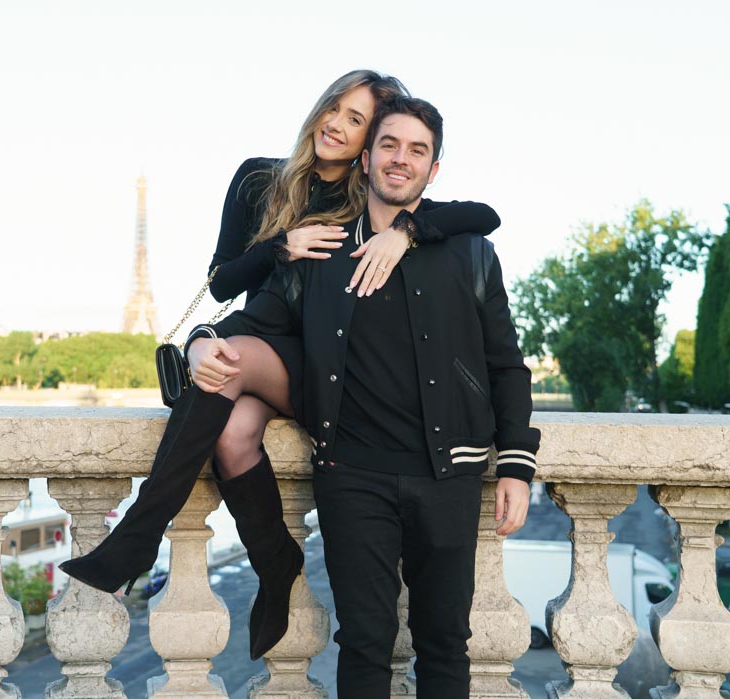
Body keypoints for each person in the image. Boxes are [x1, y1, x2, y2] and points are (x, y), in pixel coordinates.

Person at [60, 71, 500, 661]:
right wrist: (278, 247)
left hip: (323, 358)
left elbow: (479, 215)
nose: (337, 125)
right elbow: (221, 282)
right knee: (235, 433)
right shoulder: (258, 179)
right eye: (335, 107)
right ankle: (275, 563)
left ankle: (138, 540)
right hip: (260, 337)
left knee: (227, 362)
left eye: (357, 120)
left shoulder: (366, 201)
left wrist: (408, 231)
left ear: (370, 146)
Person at [184, 96, 540, 698]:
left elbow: (505, 364)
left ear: (434, 169)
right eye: (390, 145)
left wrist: (516, 465)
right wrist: (200, 342)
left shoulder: (471, 253)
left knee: (445, 643)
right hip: (353, 476)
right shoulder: (321, 250)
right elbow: (257, 319)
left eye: (418, 150)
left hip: (449, 474)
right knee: (366, 643)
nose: (402, 160)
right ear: (367, 158)